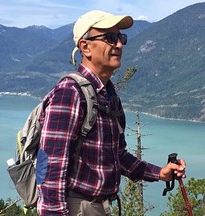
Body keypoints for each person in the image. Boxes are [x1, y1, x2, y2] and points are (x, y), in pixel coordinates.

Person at [36, 10, 186, 216]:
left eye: (121, 37)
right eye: (110, 38)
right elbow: (51, 167)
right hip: (77, 207)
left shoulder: (108, 94)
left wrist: (160, 173)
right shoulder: (70, 93)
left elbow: (117, 155)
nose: (119, 45)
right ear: (85, 47)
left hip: (98, 207)